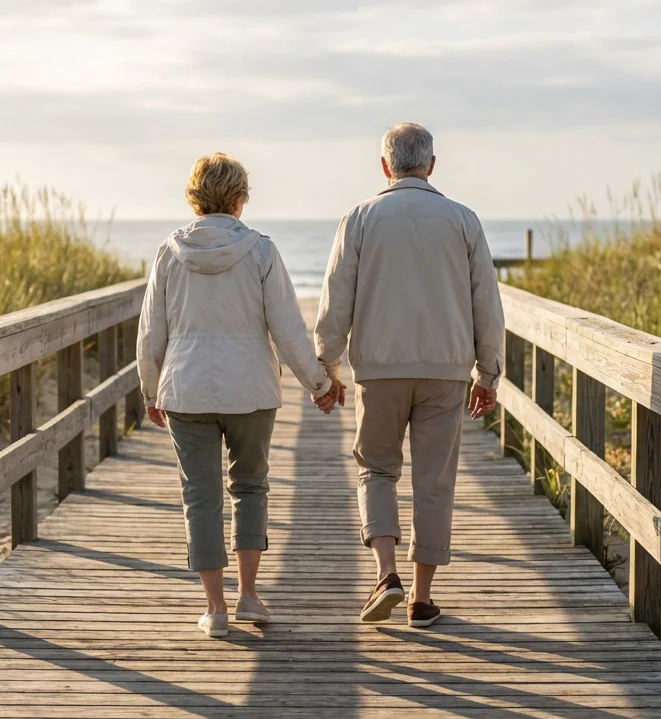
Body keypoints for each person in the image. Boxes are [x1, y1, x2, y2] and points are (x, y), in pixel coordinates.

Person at [137, 153, 344, 638]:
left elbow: (151, 333)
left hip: (185, 391)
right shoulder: (261, 251)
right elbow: (288, 329)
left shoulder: (169, 252)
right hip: (251, 390)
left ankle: (215, 609)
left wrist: (150, 389)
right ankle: (249, 596)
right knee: (250, 486)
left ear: (194, 199)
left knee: (200, 496)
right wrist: (321, 383)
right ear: (238, 199)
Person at [313, 122, 504, 628]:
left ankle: (386, 574)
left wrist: (327, 367)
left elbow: (337, 299)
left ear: (384, 166)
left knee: (376, 469)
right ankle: (421, 599)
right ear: (432, 165)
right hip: (446, 371)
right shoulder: (463, 220)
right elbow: (486, 301)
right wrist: (490, 372)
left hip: (379, 366)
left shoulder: (359, 219)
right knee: (434, 481)